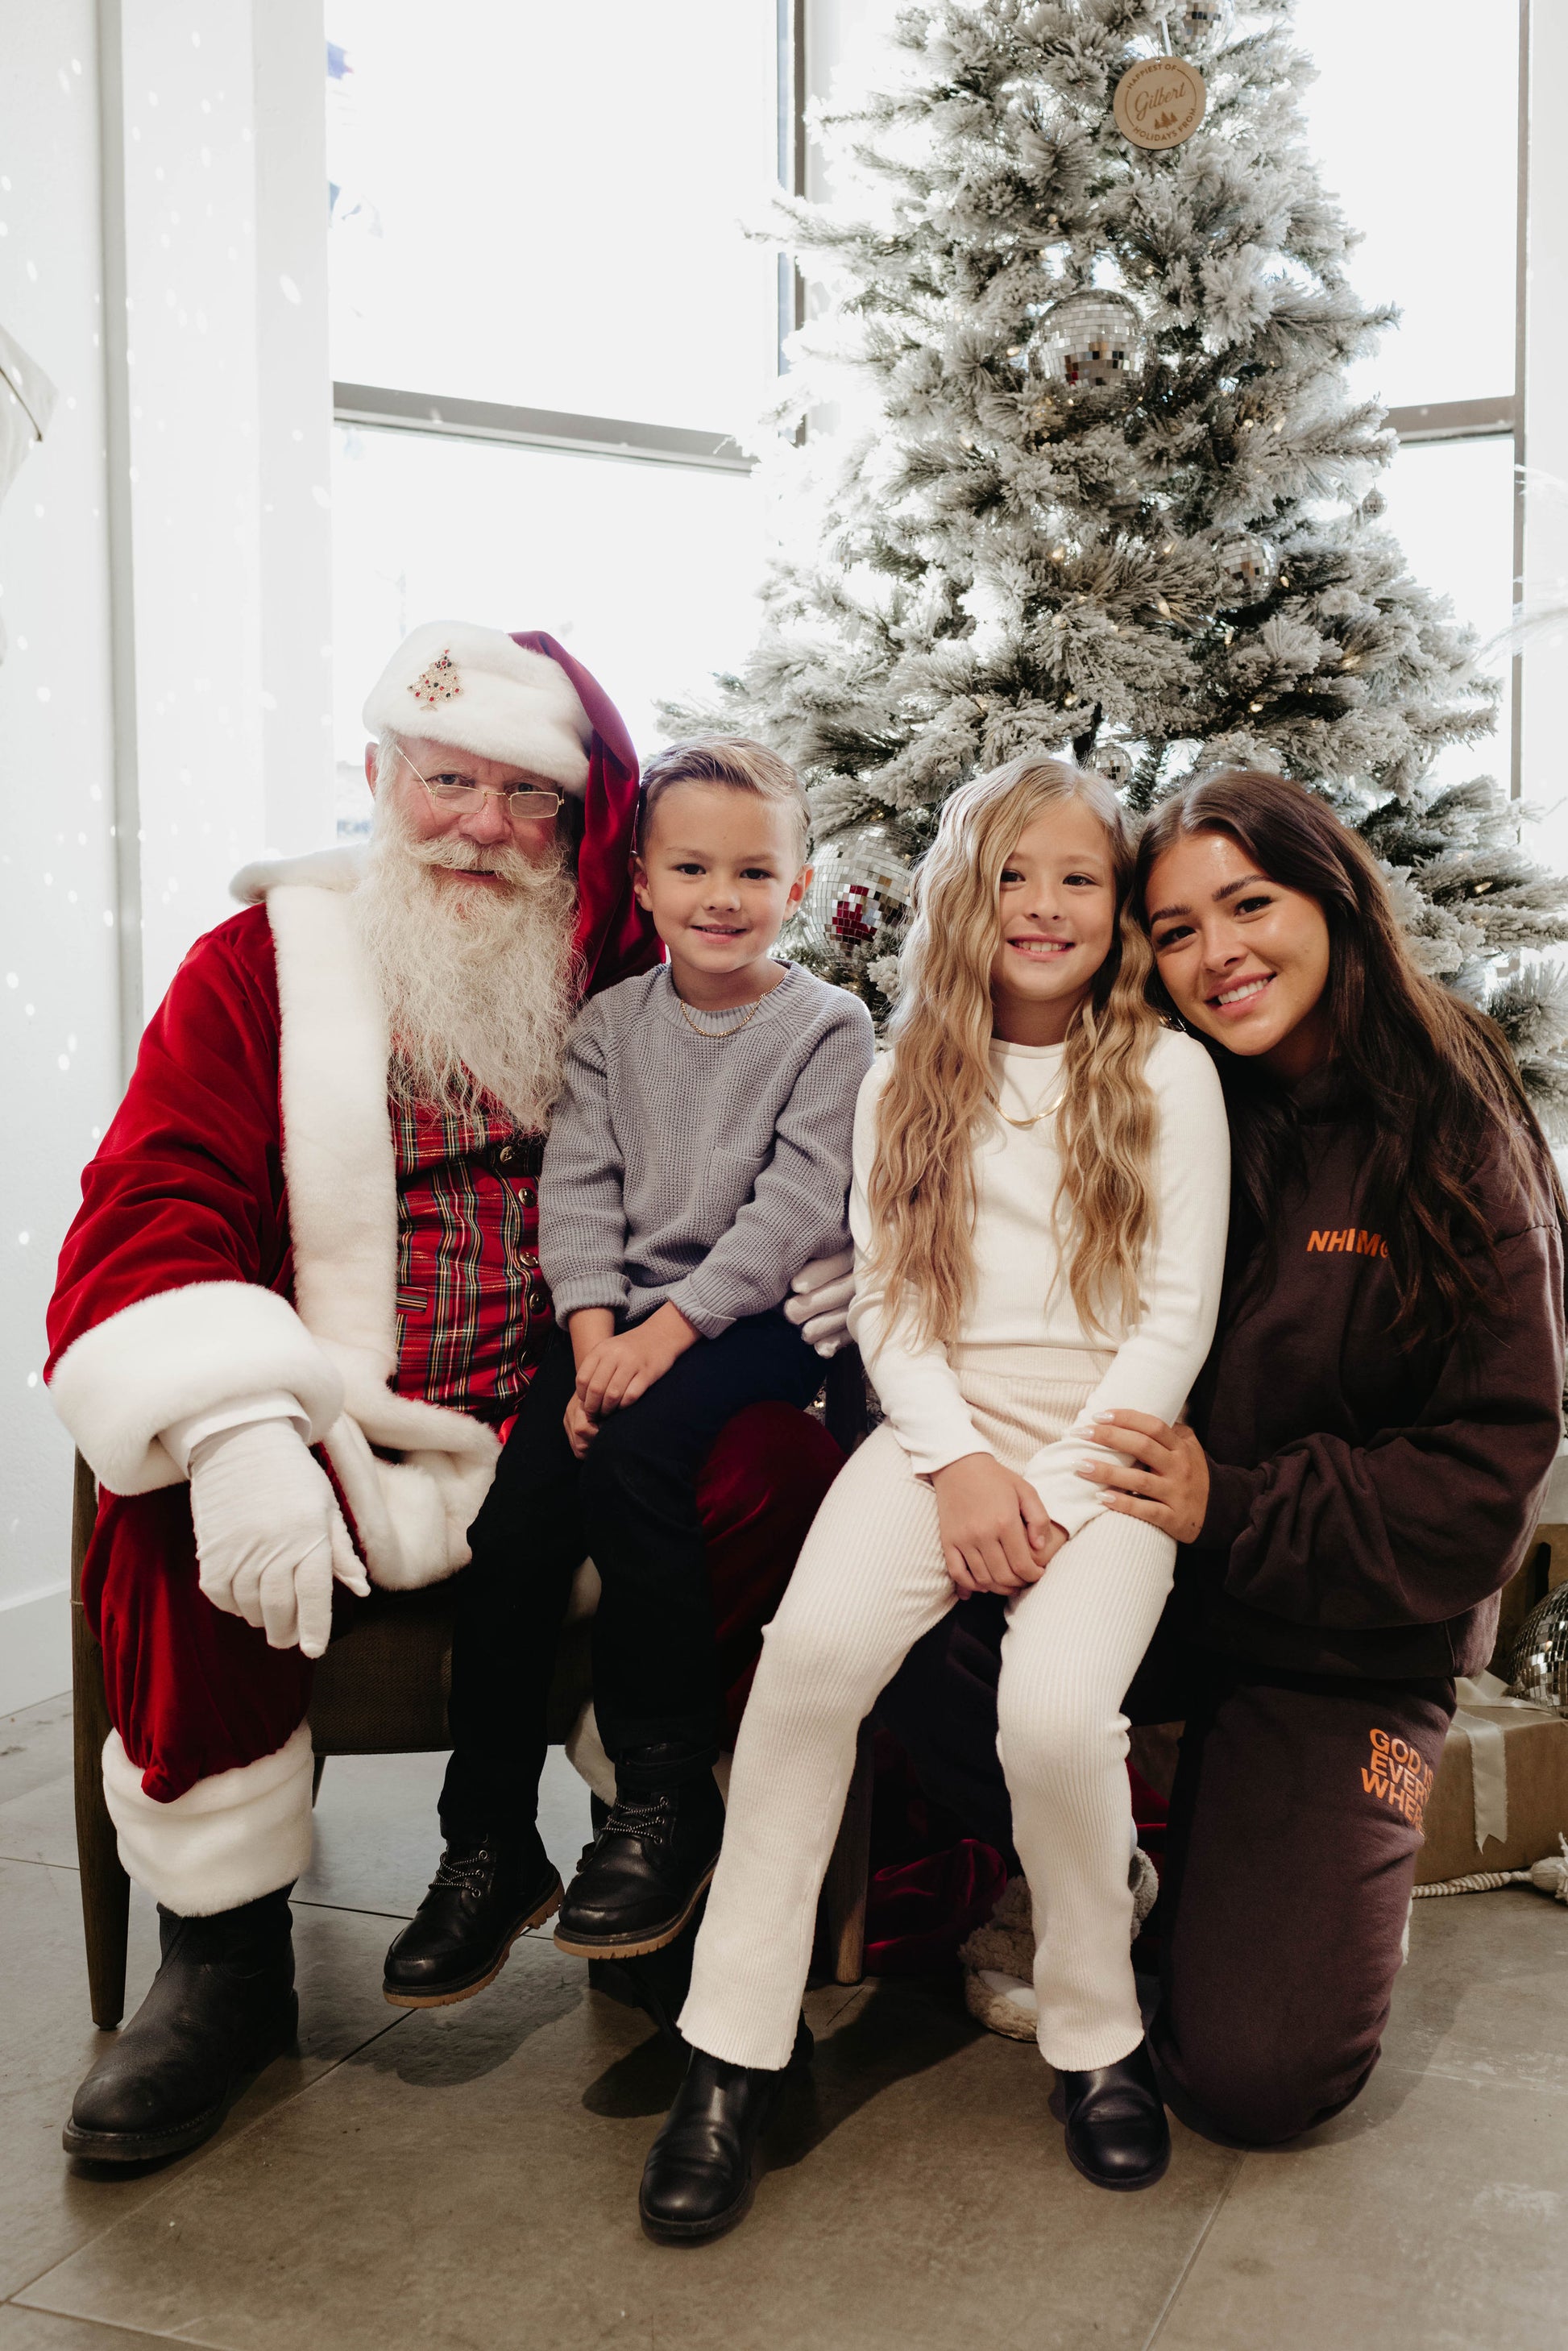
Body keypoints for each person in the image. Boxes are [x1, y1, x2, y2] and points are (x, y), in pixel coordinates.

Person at [46, 622, 852, 2162]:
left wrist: (839, 1267)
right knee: (162, 1507)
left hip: (571, 1388)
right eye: (445, 781)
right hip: (342, 1415)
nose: (482, 824)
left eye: (525, 797)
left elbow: (793, 1151)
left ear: (576, 824)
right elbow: (152, 1196)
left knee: (760, 1470)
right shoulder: (260, 968)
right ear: (377, 777)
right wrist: (233, 1423)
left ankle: (664, 1863)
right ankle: (221, 1956)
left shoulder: (634, 967)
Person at [878, 769, 1566, 2150]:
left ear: (1334, 898)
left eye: (1248, 905)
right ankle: (1119, 1855)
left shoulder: (1453, 1119)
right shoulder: (1163, 1087)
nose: (1217, 954)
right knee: (898, 1641)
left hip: (1344, 1634)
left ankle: (1266, 1858)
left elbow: (1486, 1475)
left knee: (1258, 2080)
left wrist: (1235, 1501)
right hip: (1155, 1574)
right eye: (1177, 927)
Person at [638, 756, 1231, 2241]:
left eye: (1078, 880)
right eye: (1010, 875)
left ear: (1115, 906)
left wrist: (1040, 1485)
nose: (1040, 906)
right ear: (961, 893)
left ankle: (1096, 2036)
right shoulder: (908, 1070)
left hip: (1100, 1458)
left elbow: (1173, 1322)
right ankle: (732, 2048)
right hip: (931, 1440)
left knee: (1049, 1714)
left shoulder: (1167, 1075)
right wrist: (957, 1463)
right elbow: (893, 1306)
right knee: (808, 1667)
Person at [384, 738, 873, 2003]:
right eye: (692, 867)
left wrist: (672, 1334)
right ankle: (486, 1835)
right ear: (642, 884)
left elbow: (796, 1202)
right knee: (521, 1520)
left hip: (750, 1320)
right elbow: (579, 1188)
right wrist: (594, 1330)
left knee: (643, 1466)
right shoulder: (609, 1026)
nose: (723, 895)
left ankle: (662, 1794)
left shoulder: (827, 1025)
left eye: (754, 871)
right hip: (613, 1326)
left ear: (800, 884)